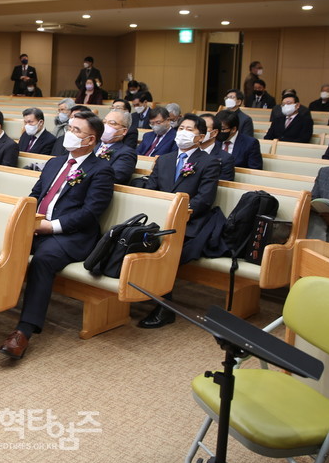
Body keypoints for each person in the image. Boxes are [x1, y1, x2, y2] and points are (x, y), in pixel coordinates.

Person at [0, 110, 114, 360]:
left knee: (43, 260)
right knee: (1, 242)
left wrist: (51, 227)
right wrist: (26, 220)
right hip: (37, 227)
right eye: (69, 128)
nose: (69, 133)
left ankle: (24, 330)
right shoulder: (55, 162)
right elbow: (34, 195)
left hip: (72, 235)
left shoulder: (101, 170)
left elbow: (90, 213)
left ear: (90, 140)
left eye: (76, 131)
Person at [139, 114, 221, 328]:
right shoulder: (164, 159)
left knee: (165, 247)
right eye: (181, 127)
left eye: (190, 129)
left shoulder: (209, 162)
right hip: (158, 219)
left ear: (200, 137)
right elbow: (151, 189)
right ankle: (136, 293)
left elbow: (204, 198)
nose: (183, 132)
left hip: (189, 222)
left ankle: (165, 307)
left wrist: (179, 215)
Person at [95, 110, 138, 184]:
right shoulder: (92, 145)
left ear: (124, 131)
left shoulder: (127, 153)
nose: (106, 126)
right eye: (104, 122)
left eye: (112, 123)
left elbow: (115, 178)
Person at [198, 113, 235, 181]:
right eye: (197, 128)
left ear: (214, 132)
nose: (199, 131)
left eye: (203, 128)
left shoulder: (225, 158)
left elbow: (223, 185)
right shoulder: (187, 152)